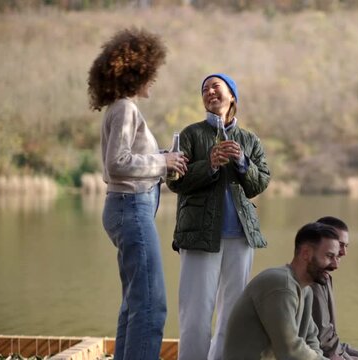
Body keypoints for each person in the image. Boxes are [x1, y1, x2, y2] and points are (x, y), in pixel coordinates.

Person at [88, 28, 188, 360]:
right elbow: (116, 164)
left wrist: (163, 158)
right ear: (136, 71)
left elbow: (127, 158)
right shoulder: (125, 109)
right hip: (130, 208)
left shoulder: (119, 109)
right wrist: (162, 161)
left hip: (127, 208)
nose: (153, 80)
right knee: (151, 305)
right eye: (151, 73)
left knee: (135, 302)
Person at [166, 73, 270, 360]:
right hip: (199, 235)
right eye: (205, 89)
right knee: (195, 314)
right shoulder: (190, 134)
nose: (210, 92)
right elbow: (175, 182)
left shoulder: (249, 139)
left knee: (233, 314)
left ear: (232, 96)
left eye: (216, 87)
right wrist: (209, 164)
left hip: (241, 236)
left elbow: (259, 183)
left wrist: (241, 162)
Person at [223, 222, 341, 360]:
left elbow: (311, 340)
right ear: (306, 253)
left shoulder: (305, 290)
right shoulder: (281, 286)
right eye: (329, 256)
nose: (336, 265)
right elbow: (290, 351)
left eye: (336, 257)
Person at [311, 216, 358, 360]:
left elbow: (330, 341)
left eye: (346, 246)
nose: (344, 252)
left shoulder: (324, 278)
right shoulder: (312, 281)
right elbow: (325, 345)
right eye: (340, 245)